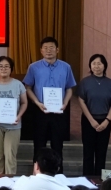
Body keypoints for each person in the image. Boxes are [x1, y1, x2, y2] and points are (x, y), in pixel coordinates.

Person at [23, 36, 76, 173]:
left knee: (57, 145)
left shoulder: (66, 67)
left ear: (57, 50)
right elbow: (28, 87)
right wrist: (37, 102)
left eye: (51, 47)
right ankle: (37, 173)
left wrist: (65, 103)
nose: (48, 50)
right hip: (40, 111)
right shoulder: (33, 67)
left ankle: (58, 174)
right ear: (41, 50)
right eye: (45, 48)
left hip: (59, 111)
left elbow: (69, 88)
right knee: (39, 144)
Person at [0, 56, 27, 175]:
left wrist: (19, 115)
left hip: (13, 124)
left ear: (11, 69)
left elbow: (24, 102)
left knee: (10, 155)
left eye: (7, 66)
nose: (3, 69)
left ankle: (10, 180)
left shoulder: (18, 84)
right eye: (0, 66)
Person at [76, 54, 111, 177]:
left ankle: (100, 180)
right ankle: (87, 179)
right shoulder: (85, 82)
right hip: (88, 121)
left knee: (101, 153)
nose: (96, 66)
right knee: (88, 153)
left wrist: (107, 120)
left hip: (105, 121)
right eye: (93, 63)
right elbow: (81, 101)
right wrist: (91, 120)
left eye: (99, 63)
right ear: (90, 66)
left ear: (104, 66)